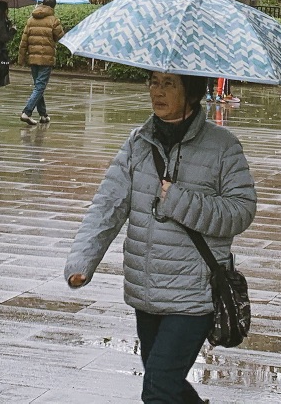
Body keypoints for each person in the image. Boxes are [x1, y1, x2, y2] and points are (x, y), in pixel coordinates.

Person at [66, 71, 258, 404]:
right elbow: (107, 205)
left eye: (168, 84)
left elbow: (241, 212)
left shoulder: (223, 147)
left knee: (158, 389)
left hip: (193, 295)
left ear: (191, 90)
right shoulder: (138, 142)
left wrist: (179, 200)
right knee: (167, 385)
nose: (158, 91)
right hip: (146, 291)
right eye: (153, 82)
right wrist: (82, 260)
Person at [18, 0, 64, 125]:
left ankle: (43, 115)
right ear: (53, 7)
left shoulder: (31, 20)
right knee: (40, 87)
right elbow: (60, 36)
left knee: (38, 87)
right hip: (46, 59)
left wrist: (21, 59)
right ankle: (26, 112)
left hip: (32, 58)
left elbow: (24, 41)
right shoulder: (54, 20)